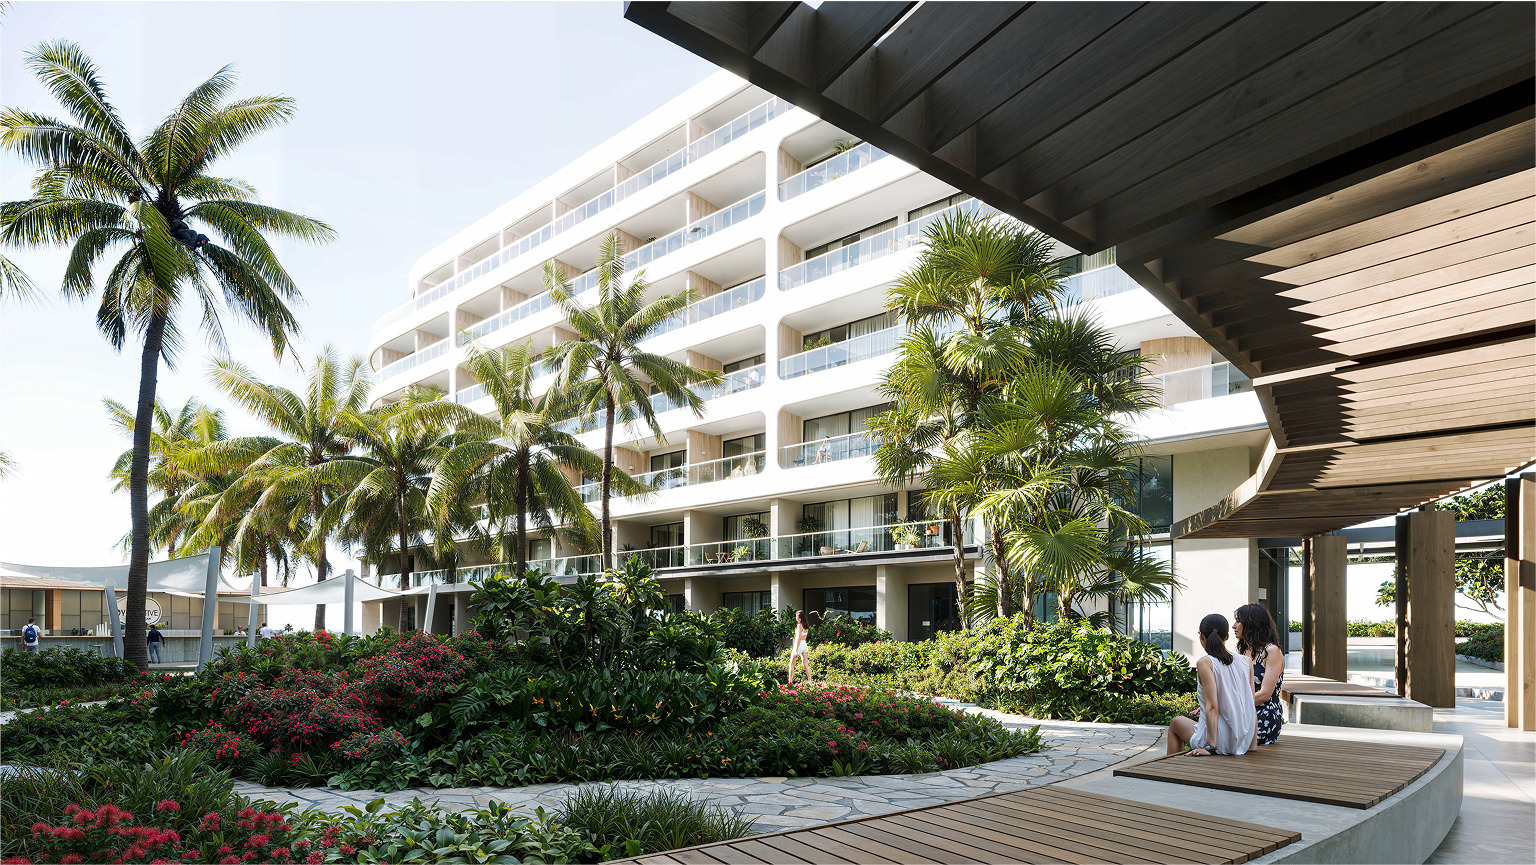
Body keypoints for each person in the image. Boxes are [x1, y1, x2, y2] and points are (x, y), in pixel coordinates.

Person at [1167, 613, 1256, 756]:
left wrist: (1210, 747)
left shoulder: (1205, 663)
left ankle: (1170, 772)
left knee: (1175, 723)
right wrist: (1252, 745)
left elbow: (1213, 707)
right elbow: (1251, 705)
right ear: (1227, 637)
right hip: (1241, 740)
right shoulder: (1246, 662)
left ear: (1201, 636)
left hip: (1218, 742)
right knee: (1183, 723)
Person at [1235, 603, 1285, 746]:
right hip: (1244, 711)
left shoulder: (1271, 651)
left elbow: (1265, 695)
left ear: (1252, 624)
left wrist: (1232, 705)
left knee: (1218, 737)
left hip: (1264, 714)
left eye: (1238, 621)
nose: (1234, 626)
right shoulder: (1246, 651)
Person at [786, 610, 813, 684]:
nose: (796, 618)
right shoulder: (806, 625)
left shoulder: (799, 625)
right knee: (806, 665)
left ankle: (790, 682)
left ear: (799, 618)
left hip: (799, 645)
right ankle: (810, 682)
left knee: (791, 664)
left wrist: (796, 650)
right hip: (804, 644)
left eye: (796, 617)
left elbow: (798, 637)